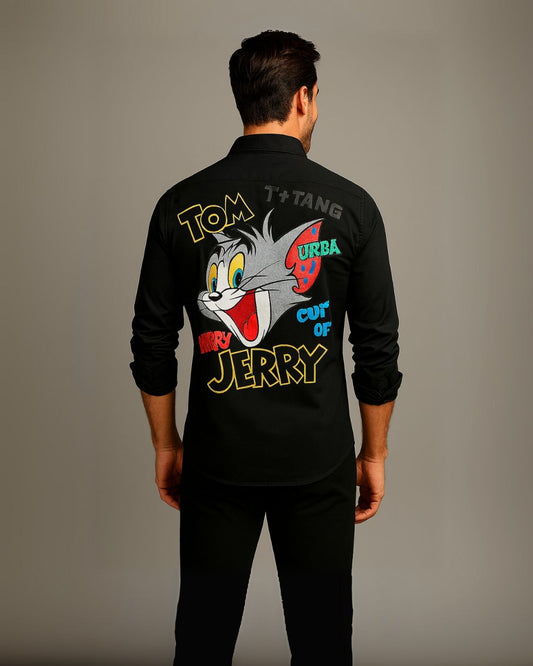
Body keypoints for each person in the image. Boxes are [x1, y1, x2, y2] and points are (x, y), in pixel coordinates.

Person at [129, 29, 403, 666]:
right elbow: (377, 349)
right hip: (319, 460)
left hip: (217, 459)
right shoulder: (353, 207)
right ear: (303, 98)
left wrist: (167, 445)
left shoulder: (178, 204)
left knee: (202, 642)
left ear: (243, 99)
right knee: (322, 644)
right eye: (316, 98)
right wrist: (374, 454)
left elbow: (151, 341)